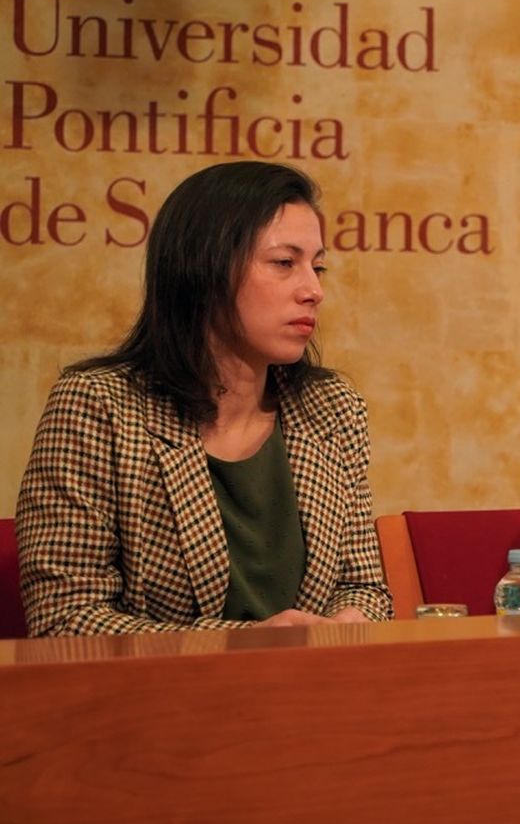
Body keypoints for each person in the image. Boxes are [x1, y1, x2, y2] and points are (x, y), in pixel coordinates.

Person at [16, 162, 393, 635]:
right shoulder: (98, 406)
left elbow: (365, 587)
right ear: (204, 268)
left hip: (310, 695)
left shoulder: (332, 407)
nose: (314, 290)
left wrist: (348, 620)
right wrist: (243, 645)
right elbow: (65, 619)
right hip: (160, 702)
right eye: (284, 263)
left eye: (317, 267)